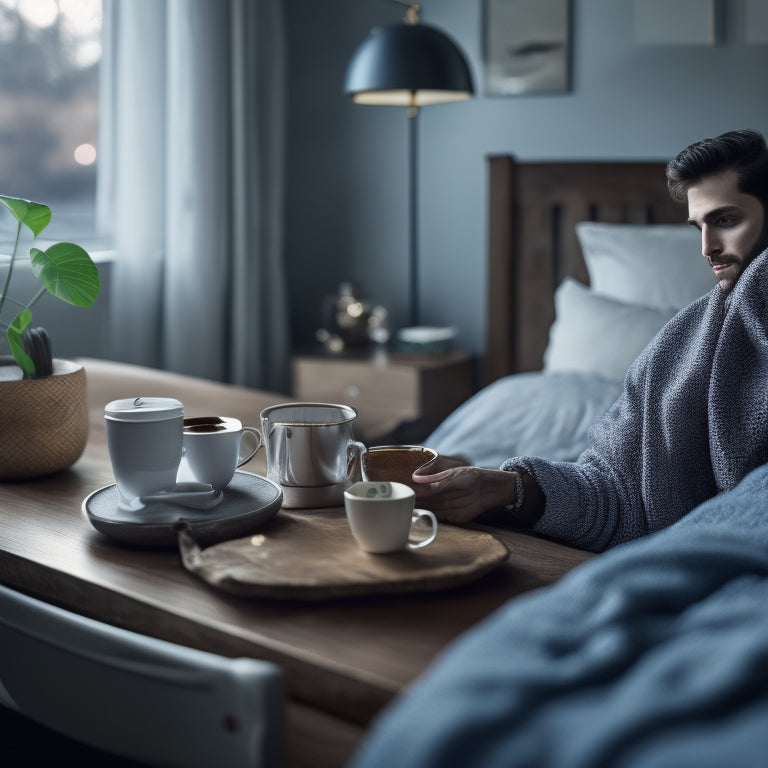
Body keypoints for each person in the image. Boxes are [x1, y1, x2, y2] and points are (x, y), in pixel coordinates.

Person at [412, 129, 768, 552]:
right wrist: (506, 487)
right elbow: (614, 495)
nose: (707, 247)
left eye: (726, 220)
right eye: (699, 226)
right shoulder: (675, 353)